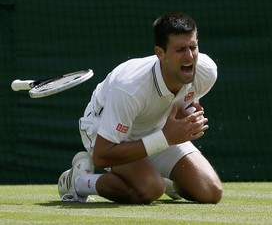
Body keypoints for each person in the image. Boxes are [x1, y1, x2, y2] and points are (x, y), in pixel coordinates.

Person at [58, 12, 223, 204]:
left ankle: (164, 178)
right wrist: (167, 137)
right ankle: (79, 181)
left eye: (193, 47)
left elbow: (186, 102)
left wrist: (189, 118)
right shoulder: (129, 87)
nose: (189, 56)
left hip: (158, 129)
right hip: (107, 134)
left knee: (210, 192)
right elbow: (102, 155)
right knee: (150, 189)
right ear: (160, 53)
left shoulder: (206, 71)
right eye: (180, 49)